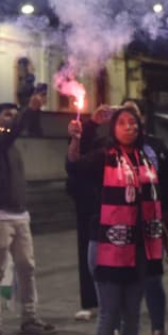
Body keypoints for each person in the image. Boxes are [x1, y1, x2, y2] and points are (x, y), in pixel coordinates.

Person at [82, 107, 168, 335]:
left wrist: (164, 234)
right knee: (109, 312)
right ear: (113, 128)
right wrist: (82, 131)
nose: (129, 127)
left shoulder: (146, 159)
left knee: (132, 311)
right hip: (107, 244)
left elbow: (158, 199)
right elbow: (75, 165)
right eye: (122, 123)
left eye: (133, 122)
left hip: (140, 247)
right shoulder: (103, 157)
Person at [0, 94, 57, 335]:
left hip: (19, 215)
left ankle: (30, 318)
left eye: (14, 115)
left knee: (27, 267)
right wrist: (27, 111)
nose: (11, 119)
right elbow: (10, 133)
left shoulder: (10, 144)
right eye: (6, 115)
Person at [121, 97, 168, 335]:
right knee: (121, 282)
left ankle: (158, 331)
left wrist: (167, 213)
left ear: (142, 117)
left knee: (153, 280)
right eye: (123, 115)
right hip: (122, 226)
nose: (129, 121)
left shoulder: (156, 146)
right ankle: (120, 332)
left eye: (133, 114)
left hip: (152, 224)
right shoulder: (112, 149)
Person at [67, 105, 113, 323]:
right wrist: (88, 126)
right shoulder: (99, 147)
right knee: (89, 255)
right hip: (90, 206)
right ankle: (91, 301)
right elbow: (75, 163)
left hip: (118, 210)